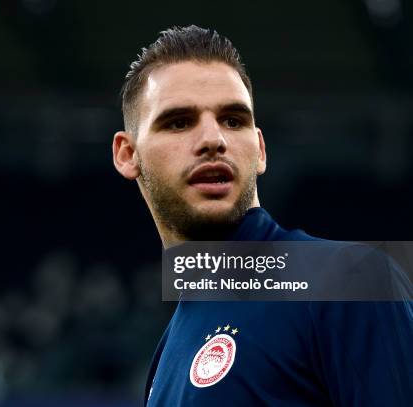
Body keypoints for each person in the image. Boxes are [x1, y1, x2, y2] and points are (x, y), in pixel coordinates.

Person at [112, 25, 412, 406]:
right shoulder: (168, 348)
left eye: (233, 120)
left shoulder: (349, 279)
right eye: (179, 122)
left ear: (260, 149)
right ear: (127, 154)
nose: (213, 140)